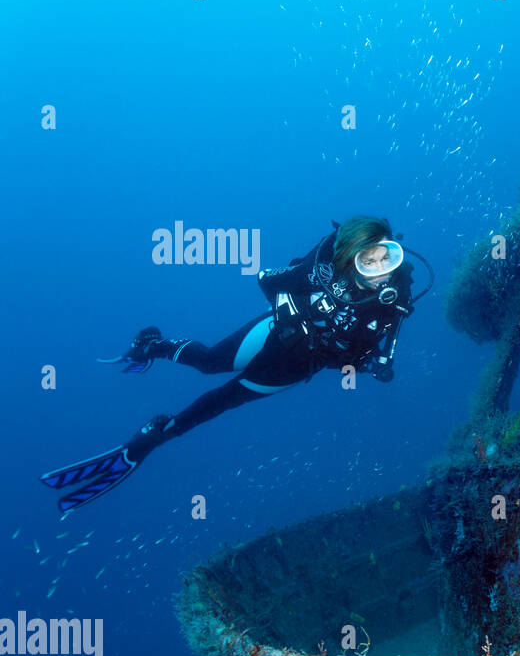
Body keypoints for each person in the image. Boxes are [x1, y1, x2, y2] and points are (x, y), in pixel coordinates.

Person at [41, 216, 426, 512]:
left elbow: (384, 342)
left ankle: (155, 437)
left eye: (387, 257)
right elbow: (267, 279)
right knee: (209, 363)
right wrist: (295, 308)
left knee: (225, 400)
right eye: (369, 261)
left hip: (299, 367)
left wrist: (375, 363)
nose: (382, 271)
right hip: (276, 334)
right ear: (348, 259)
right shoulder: (322, 267)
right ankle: (151, 344)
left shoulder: (397, 291)